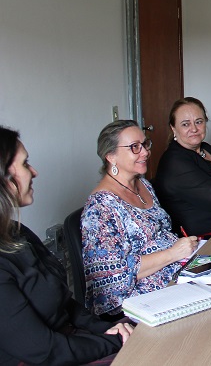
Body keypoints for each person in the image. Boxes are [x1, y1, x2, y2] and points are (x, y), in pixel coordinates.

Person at [0, 126, 133, 365]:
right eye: (25, 164)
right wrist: (115, 342)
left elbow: (63, 302)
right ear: (4, 179)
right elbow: (45, 351)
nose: (34, 171)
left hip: (72, 341)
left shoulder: (17, 233)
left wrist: (109, 328)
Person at [82, 120, 198, 317]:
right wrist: (173, 253)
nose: (145, 152)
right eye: (134, 147)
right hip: (139, 301)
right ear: (111, 156)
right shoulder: (100, 208)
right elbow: (112, 279)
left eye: (145, 144)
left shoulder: (143, 185)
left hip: (175, 273)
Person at [153, 97, 211, 237]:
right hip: (206, 240)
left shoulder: (206, 149)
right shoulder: (174, 161)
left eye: (199, 122)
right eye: (185, 124)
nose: (194, 129)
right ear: (173, 128)